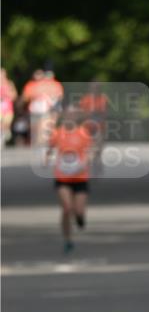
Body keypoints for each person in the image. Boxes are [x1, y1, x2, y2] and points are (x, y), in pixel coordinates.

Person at [45, 105, 93, 253]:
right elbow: (50, 150)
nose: (71, 117)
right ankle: (68, 239)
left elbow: (90, 153)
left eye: (74, 115)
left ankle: (80, 218)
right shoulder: (57, 133)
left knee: (78, 210)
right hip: (63, 177)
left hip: (80, 177)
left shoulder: (83, 134)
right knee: (67, 208)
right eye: (68, 114)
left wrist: (84, 163)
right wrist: (48, 160)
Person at [0, 68, 17, 144]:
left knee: (6, 124)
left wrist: (7, 95)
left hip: (8, 108)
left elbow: (14, 96)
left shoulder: (9, 83)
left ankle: (5, 133)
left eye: (2, 74)